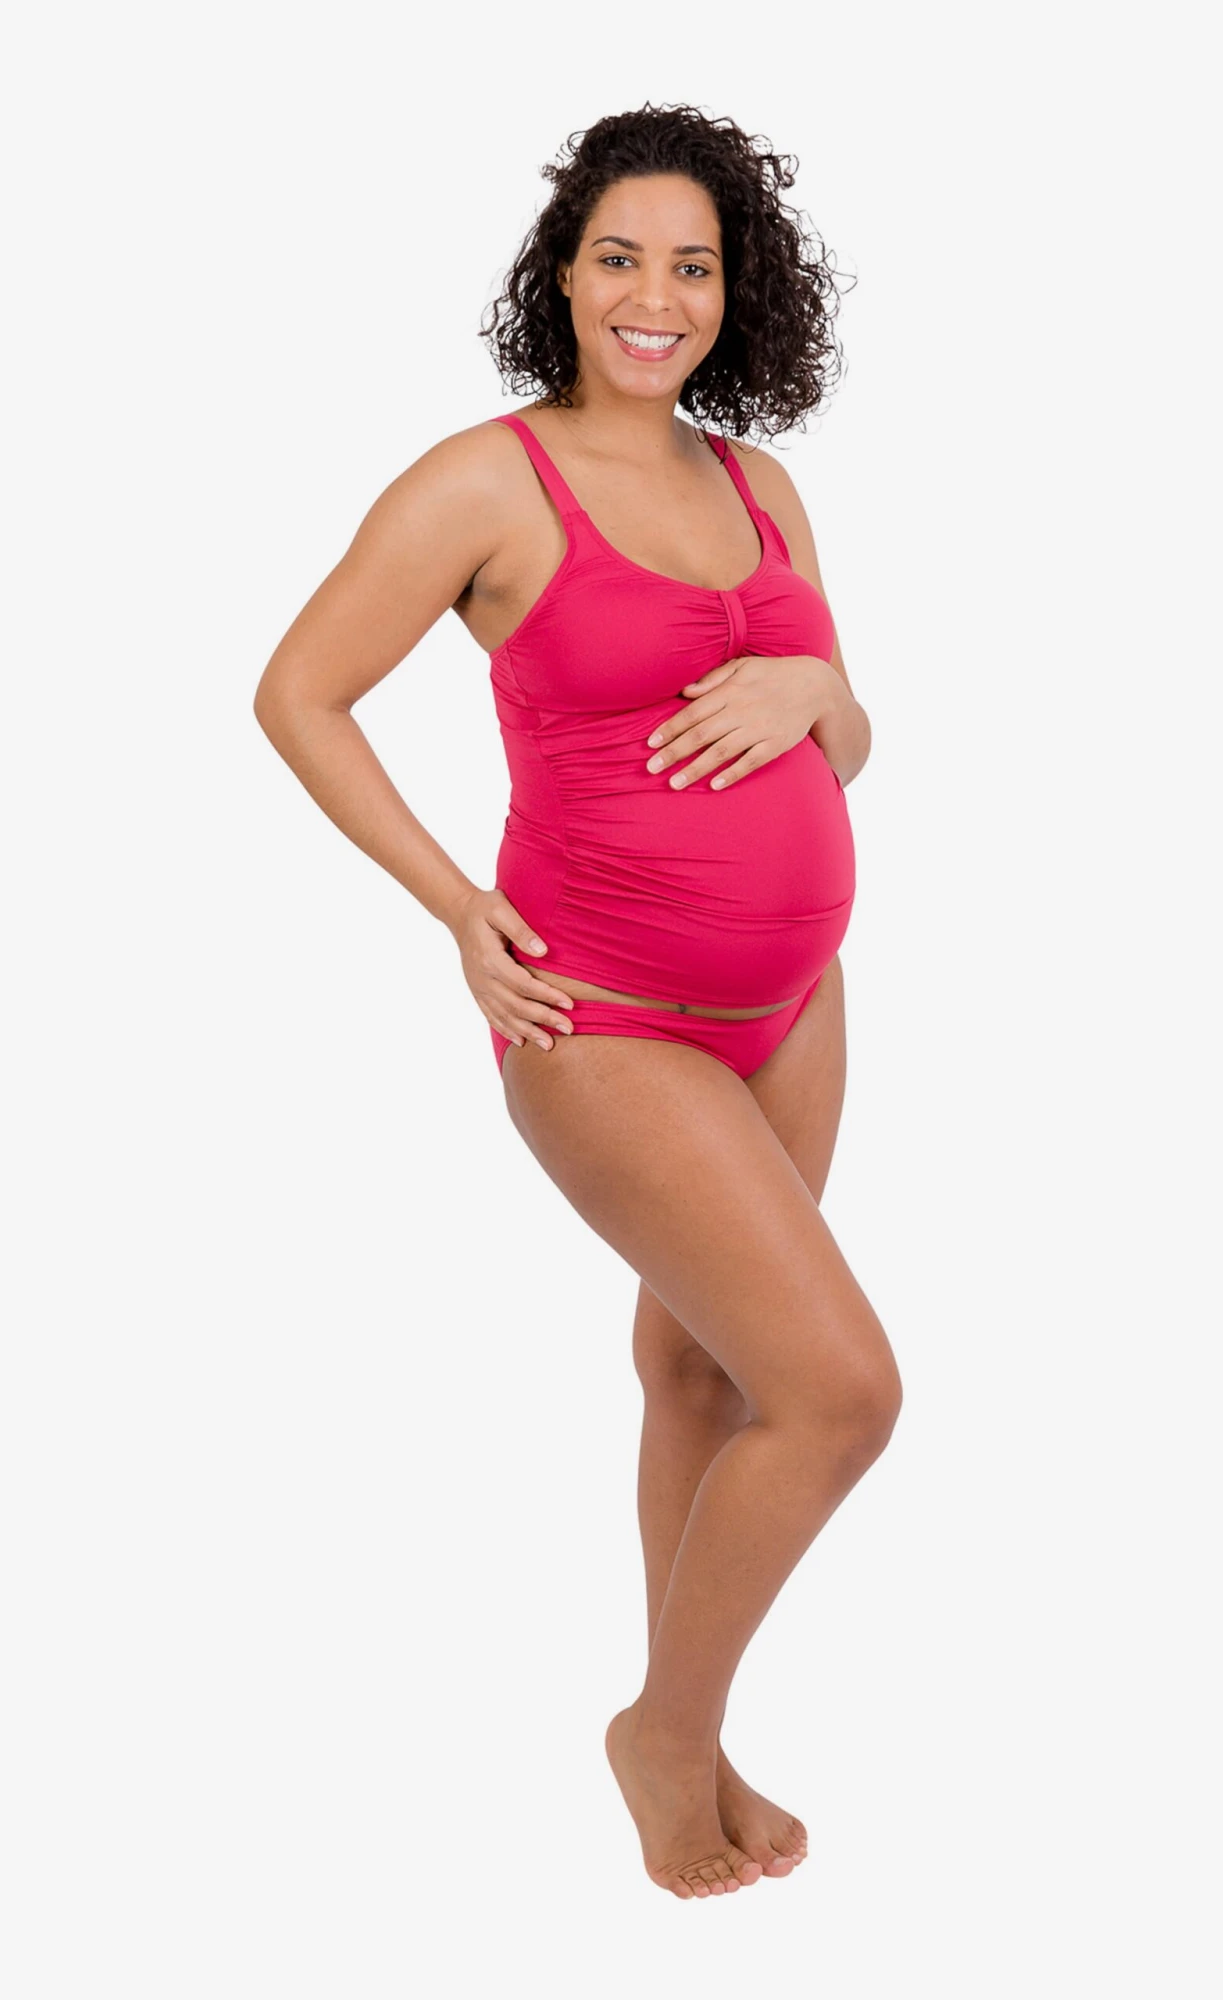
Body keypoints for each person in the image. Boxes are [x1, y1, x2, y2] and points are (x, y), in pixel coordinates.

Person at [253, 103, 903, 1902]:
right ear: (562, 273)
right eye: (620, 257)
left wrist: (816, 702)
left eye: (693, 266)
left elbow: (848, 730)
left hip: (794, 998)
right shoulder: (486, 483)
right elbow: (298, 693)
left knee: (704, 1366)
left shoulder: (760, 487)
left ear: (735, 293)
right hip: (603, 1014)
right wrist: (459, 910)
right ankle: (662, 1740)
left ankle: (696, 1723)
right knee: (840, 1393)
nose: (654, 297)